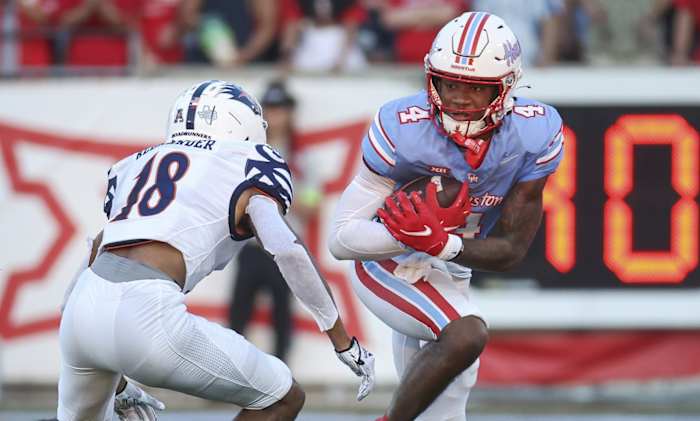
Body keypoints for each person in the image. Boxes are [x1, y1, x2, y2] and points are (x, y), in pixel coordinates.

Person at [58, 79, 375, 421]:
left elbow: (97, 250)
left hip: (80, 313)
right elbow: (287, 249)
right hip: (147, 313)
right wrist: (342, 340)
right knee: (283, 397)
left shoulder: (137, 163)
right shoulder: (243, 163)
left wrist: (114, 381)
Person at [328, 11, 564, 421]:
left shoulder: (533, 133)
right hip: (386, 261)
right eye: (448, 82)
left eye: (475, 88)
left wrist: (441, 244)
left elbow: (510, 251)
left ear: (506, 88)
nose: (457, 96)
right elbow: (341, 239)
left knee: (446, 410)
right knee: (465, 334)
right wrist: (410, 236)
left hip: (450, 265)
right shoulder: (402, 127)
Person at [228, 80, 306, 362]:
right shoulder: (248, 152)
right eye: (271, 109)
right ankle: (233, 372)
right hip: (250, 246)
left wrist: (285, 196)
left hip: (283, 246)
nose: (276, 115)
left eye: (281, 108)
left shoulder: (301, 157)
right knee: (238, 313)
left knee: (282, 315)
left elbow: (311, 203)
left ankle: (281, 377)